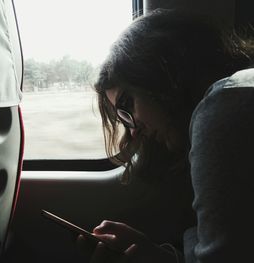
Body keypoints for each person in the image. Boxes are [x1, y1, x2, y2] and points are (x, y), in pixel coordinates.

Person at [77, 8, 254, 263]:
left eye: (127, 107)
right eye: (123, 120)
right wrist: (152, 253)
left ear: (159, 74)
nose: (134, 130)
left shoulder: (223, 110)